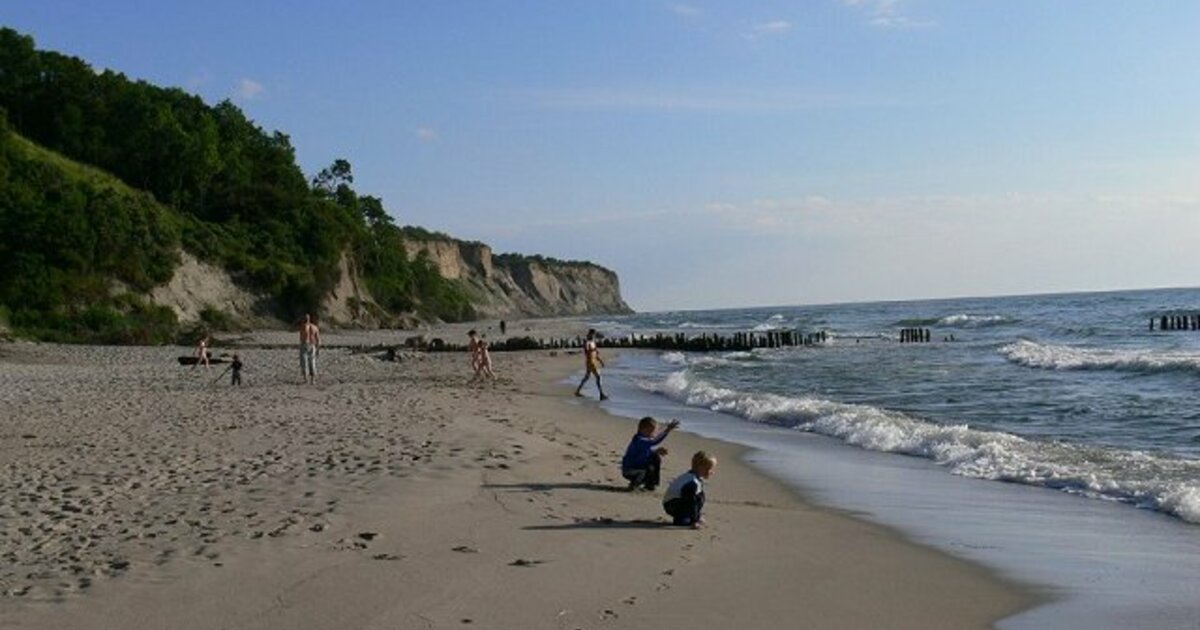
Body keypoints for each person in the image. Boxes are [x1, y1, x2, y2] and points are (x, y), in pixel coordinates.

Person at [621, 417, 680, 491]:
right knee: (643, 472)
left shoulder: (644, 440)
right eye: (649, 431)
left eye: (653, 432)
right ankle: (634, 484)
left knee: (655, 457)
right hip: (630, 470)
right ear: (641, 429)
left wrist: (656, 451)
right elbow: (654, 441)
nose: (652, 434)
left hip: (639, 465)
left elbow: (645, 452)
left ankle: (651, 484)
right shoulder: (639, 439)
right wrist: (667, 430)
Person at [663, 451, 717, 529]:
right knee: (697, 498)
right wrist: (694, 521)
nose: (711, 472)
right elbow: (691, 501)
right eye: (709, 469)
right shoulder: (692, 482)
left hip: (675, 502)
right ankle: (682, 519)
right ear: (699, 467)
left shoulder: (692, 477)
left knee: (700, 495)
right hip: (672, 505)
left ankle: (689, 517)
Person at [574, 329, 607, 400]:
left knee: (586, 377)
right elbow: (587, 351)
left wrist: (600, 361)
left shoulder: (593, 342)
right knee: (598, 376)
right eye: (592, 334)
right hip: (590, 362)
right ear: (590, 334)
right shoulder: (587, 342)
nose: (593, 336)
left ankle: (577, 391)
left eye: (594, 335)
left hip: (593, 361)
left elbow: (596, 354)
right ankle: (601, 394)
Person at [299, 314, 320, 385]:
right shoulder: (315, 327)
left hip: (305, 345)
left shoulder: (303, 326)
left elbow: (300, 336)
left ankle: (306, 379)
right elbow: (318, 340)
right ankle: (312, 380)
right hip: (312, 345)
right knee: (312, 363)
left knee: (304, 362)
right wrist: (318, 349)